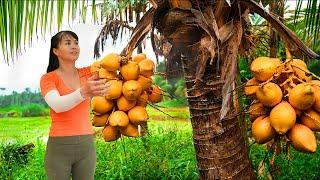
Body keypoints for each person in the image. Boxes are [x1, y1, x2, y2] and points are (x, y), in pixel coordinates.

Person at [40, 30, 108, 180]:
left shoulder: (88, 73)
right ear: (55, 51)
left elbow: (111, 68)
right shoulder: (48, 78)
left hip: (86, 146)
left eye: (76, 43)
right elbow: (57, 105)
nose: (74, 46)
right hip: (59, 148)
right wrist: (84, 92)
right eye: (68, 43)